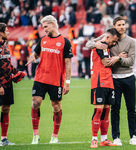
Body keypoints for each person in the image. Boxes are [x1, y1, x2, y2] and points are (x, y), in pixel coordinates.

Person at [86, 16, 136, 146]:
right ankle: (115, 137)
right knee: (114, 109)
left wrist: (118, 59)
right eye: (119, 24)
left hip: (128, 77)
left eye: (123, 24)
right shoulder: (106, 37)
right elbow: (88, 44)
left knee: (131, 109)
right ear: (114, 26)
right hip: (113, 79)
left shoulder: (131, 41)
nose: (121, 27)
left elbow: (131, 62)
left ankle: (134, 136)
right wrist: (95, 44)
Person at [26, 15, 73, 144]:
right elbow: (36, 52)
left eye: (46, 26)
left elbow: (68, 63)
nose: (44, 29)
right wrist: (33, 55)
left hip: (56, 80)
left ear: (53, 24)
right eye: (43, 27)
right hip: (40, 77)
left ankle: (55, 136)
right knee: (35, 102)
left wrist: (67, 82)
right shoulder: (43, 40)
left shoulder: (65, 42)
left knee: (56, 107)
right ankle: (35, 135)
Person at [90, 28, 120, 148]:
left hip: (108, 82)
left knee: (107, 110)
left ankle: (104, 139)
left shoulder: (105, 47)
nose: (114, 44)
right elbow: (106, 63)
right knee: (98, 110)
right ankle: (94, 139)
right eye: (113, 41)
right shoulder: (101, 46)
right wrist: (118, 57)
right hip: (99, 81)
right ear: (107, 37)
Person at [0, 23, 26, 146]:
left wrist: (17, 72)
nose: (9, 33)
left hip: (7, 83)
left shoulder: (5, 45)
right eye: (6, 31)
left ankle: (4, 139)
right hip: (0, 85)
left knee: (6, 109)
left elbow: (7, 63)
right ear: (1, 33)